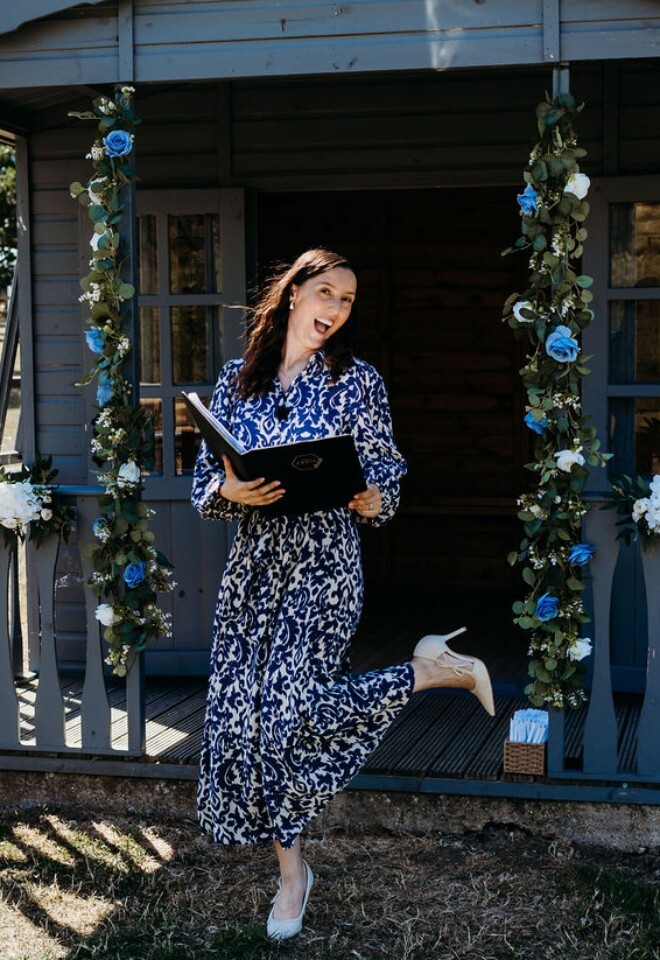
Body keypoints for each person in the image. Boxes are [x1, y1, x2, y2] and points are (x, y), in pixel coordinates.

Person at [191, 248, 495, 941]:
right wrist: (226, 490)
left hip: (324, 567)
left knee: (288, 713)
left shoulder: (358, 382)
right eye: (325, 291)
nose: (335, 309)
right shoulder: (236, 382)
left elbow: (386, 469)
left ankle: (427, 671)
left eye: (348, 299)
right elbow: (206, 481)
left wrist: (370, 498)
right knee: (246, 724)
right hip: (254, 570)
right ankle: (292, 870)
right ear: (293, 292)